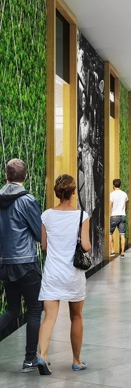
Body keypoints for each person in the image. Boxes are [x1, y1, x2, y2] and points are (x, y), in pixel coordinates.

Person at [37, 174, 91, 374]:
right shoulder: (81, 216)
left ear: (58, 192)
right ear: (74, 192)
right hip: (73, 274)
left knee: (49, 317)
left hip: (52, 273)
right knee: (76, 317)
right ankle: (76, 360)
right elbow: (86, 246)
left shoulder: (46, 215)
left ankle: (42, 355)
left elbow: (44, 246)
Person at [0, 158, 45, 374]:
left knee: (12, 309)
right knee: (34, 310)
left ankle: (30, 360)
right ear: (25, 176)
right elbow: (38, 233)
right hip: (26, 262)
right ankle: (29, 360)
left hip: (5, 263)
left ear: (6, 176)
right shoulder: (28, 200)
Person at [109, 178, 128, 257]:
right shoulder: (124, 194)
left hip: (114, 216)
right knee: (122, 234)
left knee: (110, 233)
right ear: (120, 185)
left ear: (113, 185)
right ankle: (122, 252)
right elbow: (126, 206)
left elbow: (110, 205)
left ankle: (112, 250)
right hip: (122, 215)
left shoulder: (112, 194)